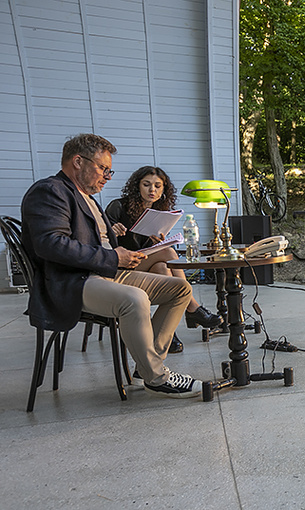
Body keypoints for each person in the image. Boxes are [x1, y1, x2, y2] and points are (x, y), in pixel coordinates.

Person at [21, 133, 201, 397]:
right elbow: (51, 244)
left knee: (180, 289)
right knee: (135, 299)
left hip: (107, 272)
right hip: (74, 281)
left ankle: (147, 366)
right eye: (103, 168)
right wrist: (115, 257)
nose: (107, 176)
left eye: (109, 170)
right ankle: (157, 377)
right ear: (78, 161)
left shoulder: (88, 197)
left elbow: (102, 241)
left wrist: (128, 252)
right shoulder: (50, 191)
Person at [105, 166, 222, 354]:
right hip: (122, 267)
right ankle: (192, 308)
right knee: (168, 253)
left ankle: (168, 332)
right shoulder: (118, 206)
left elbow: (149, 249)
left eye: (158, 186)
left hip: (145, 266)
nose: (152, 190)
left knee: (162, 269)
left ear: (164, 190)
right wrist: (113, 230)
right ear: (137, 186)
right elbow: (99, 238)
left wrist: (157, 241)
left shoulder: (159, 211)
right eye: (147, 185)